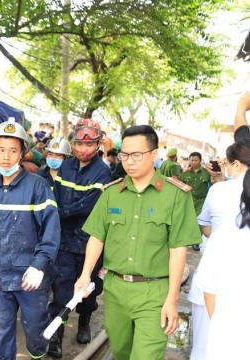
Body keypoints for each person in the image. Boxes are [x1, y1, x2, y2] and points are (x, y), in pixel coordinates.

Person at [74, 125, 201, 360]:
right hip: (115, 289)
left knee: (146, 355)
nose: (129, 161)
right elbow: (96, 237)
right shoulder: (111, 193)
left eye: (136, 155)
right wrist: (85, 274)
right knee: (121, 352)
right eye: (124, 155)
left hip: (155, 292)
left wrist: (172, 300)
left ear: (154, 155)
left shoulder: (175, 195)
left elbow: (178, 249)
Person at [0, 118, 60, 360]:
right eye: (1, 150)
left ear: (22, 153)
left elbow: (51, 230)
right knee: (0, 330)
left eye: (13, 150)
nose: (6, 156)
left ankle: (38, 353)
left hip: (31, 277)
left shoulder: (38, 186)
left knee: (35, 331)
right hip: (0, 274)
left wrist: (39, 266)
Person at [48, 118, 111, 358]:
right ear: (72, 144)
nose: (83, 149)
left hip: (89, 243)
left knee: (88, 290)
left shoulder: (103, 171)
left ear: (97, 145)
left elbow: (88, 206)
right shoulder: (65, 167)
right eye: (79, 144)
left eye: (90, 144)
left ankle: (84, 321)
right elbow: (57, 195)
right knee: (61, 290)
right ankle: (55, 338)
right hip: (65, 241)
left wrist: (61, 213)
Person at [187, 142, 250, 360]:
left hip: (215, 280)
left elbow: (206, 230)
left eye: (227, 163)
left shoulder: (220, 190)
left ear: (237, 164)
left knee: (205, 347)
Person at [180, 151, 211, 252]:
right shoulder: (186, 173)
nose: (193, 162)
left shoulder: (206, 172)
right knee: (188, 219)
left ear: (200, 161)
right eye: (192, 160)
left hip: (201, 200)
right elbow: (180, 185)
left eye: (196, 160)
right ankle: (188, 238)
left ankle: (196, 242)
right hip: (189, 199)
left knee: (199, 219)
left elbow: (212, 183)